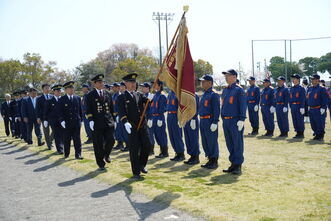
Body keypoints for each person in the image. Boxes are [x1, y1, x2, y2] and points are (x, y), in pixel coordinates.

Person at [117, 73, 153, 179]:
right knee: (134, 148)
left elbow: (146, 102)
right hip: (131, 126)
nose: (133, 84)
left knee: (147, 145)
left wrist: (151, 98)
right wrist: (125, 122)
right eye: (131, 82)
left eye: (134, 82)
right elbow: (121, 111)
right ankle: (136, 171)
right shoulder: (122, 97)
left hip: (142, 125)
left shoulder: (138, 94)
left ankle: (142, 164)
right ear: (126, 83)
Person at [85, 74, 116, 171]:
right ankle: (100, 163)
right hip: (97, 122)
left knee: (111, 140)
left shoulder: (107, 93)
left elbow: (111, 108)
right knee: (98, 144)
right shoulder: (90, 95)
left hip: (108, 121)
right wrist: (90, 120)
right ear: (94, 84)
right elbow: (88, 109)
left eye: (103, 82)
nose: (102, 84)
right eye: (99, 82)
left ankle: (106, 155)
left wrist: (114, 119)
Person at [221, 69, 247, 175]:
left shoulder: (239, 90)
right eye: (225, 76)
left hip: (235, 120)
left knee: (237, 143)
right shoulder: (226, 90)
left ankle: (238, 165)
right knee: (230, 143)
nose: (226, 77)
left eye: (228, 75)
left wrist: (241, 119)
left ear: (234, 76)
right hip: (226, 120)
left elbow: (242, 105)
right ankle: (232, 163)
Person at [198, 74, 220, 169]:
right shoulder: (204, 94)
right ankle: (209, 159)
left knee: (211, 141)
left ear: (210, 83)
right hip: (203, 120)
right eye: (201, 81)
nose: (202, 83)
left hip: (210, 120)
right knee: (205, 141)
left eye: (204, 81)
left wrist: (215, 122)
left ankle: (214, 160)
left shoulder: (213, 94)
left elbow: (216, 109)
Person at [57, 81, 84, 159]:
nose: (72, 90)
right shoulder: (62, 99)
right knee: (67, 139)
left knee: (77, 139)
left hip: (76, 122)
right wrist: (61, 120)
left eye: (72, 88)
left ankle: (78, 154)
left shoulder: (77, 98)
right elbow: (59, 111)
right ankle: (67, 153)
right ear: (65, 90)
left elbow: (80, 110)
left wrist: (81, 120)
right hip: (67, 123)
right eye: (70, 88)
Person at [149, 80, 168, 158]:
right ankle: (161, 151)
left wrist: (160, 117)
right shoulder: (155, 95)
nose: (153, 86)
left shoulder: (162, 95)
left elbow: (164, 108)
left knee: (161, 135)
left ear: (160, 85)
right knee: (157, 135)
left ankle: (165, 152)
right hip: (153, 117)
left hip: (159, 117)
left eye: (155, 84)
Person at [43, 84, 64, 154]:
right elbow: (46, 111)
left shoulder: (64, 99)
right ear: (54, 92)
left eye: (59, 90)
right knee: (57, 135)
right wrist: (45, 120)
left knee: (63, 135)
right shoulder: (49, 101)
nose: (58, 92)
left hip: (63, 121)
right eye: (57, 91)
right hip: (54, 121)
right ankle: (60, 149)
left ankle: (64, 147)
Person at [306, 74, 328, 141]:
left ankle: (320, 135)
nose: (312, 80)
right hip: (311, 108)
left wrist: (323, 108)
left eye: (314, 79)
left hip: (318, 108)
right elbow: (307, 98)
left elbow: (324, 99)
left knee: (319, 123)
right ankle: (316, 133)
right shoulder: (310, 88)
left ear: (318, 80)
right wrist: (308, 106)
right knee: (313, 123)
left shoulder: (321, 88)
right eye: (312, 79)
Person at [166, 90, 185, 161]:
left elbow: (180, 106)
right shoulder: (170, 93)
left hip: (176, 115)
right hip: (169, 115)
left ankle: (181, 153)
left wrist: (180, 118)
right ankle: (177, 152)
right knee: (171, 135)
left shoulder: (179, 93)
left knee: (177, 135)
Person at [183, 93, 200, 165]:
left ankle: (196, 157)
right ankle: (191, 156)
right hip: (186, 118)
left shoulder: (194, 95)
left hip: (192, 119)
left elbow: (196, 107)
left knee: (193, 138)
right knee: (188, 138)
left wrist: (194, 118)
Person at [36, 83, 54, 149]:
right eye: (46, 88)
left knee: (55, 130)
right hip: (44, 118)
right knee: (46, 131)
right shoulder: (39, 98)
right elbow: (37, 109)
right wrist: (38, 117)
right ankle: (49, 145)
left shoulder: (52, 96)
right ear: (43, 89)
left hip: (52, 117)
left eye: (48, 88)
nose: (47, 89)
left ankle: (50, 140)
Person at [140, 82, 155, 155]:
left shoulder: (150, 96)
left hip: (148, 117)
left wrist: (150, 118)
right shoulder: (142, 95)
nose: (142, 88)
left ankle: (151, 149)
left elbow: (151, 108)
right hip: (143, 118)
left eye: (143, 87)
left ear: (148, 88)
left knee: (150, 134)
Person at [289, 74, 306, 138]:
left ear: (298, 80)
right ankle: (297, 132)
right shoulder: (292, 88)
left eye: (294, 79)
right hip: (293, 106)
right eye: (292, 79)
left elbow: (302, 98)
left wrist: (302, 107)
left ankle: (301, 133)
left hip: (299, 105)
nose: (293, 80)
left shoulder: (301, 88)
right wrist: (291, 106)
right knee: (294, 120)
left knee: (299, 120)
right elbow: (290, 98)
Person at [112, 82, 122, 150]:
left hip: (119, 115)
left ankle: (121, 144)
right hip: (114, 115)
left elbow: (121, 106)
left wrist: (119, 114)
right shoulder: (114, 95)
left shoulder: (120, 95)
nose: (113, 88)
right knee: (116, 130)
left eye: (114, 87)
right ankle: (118, 143)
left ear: (118, 88)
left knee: (119, 130)